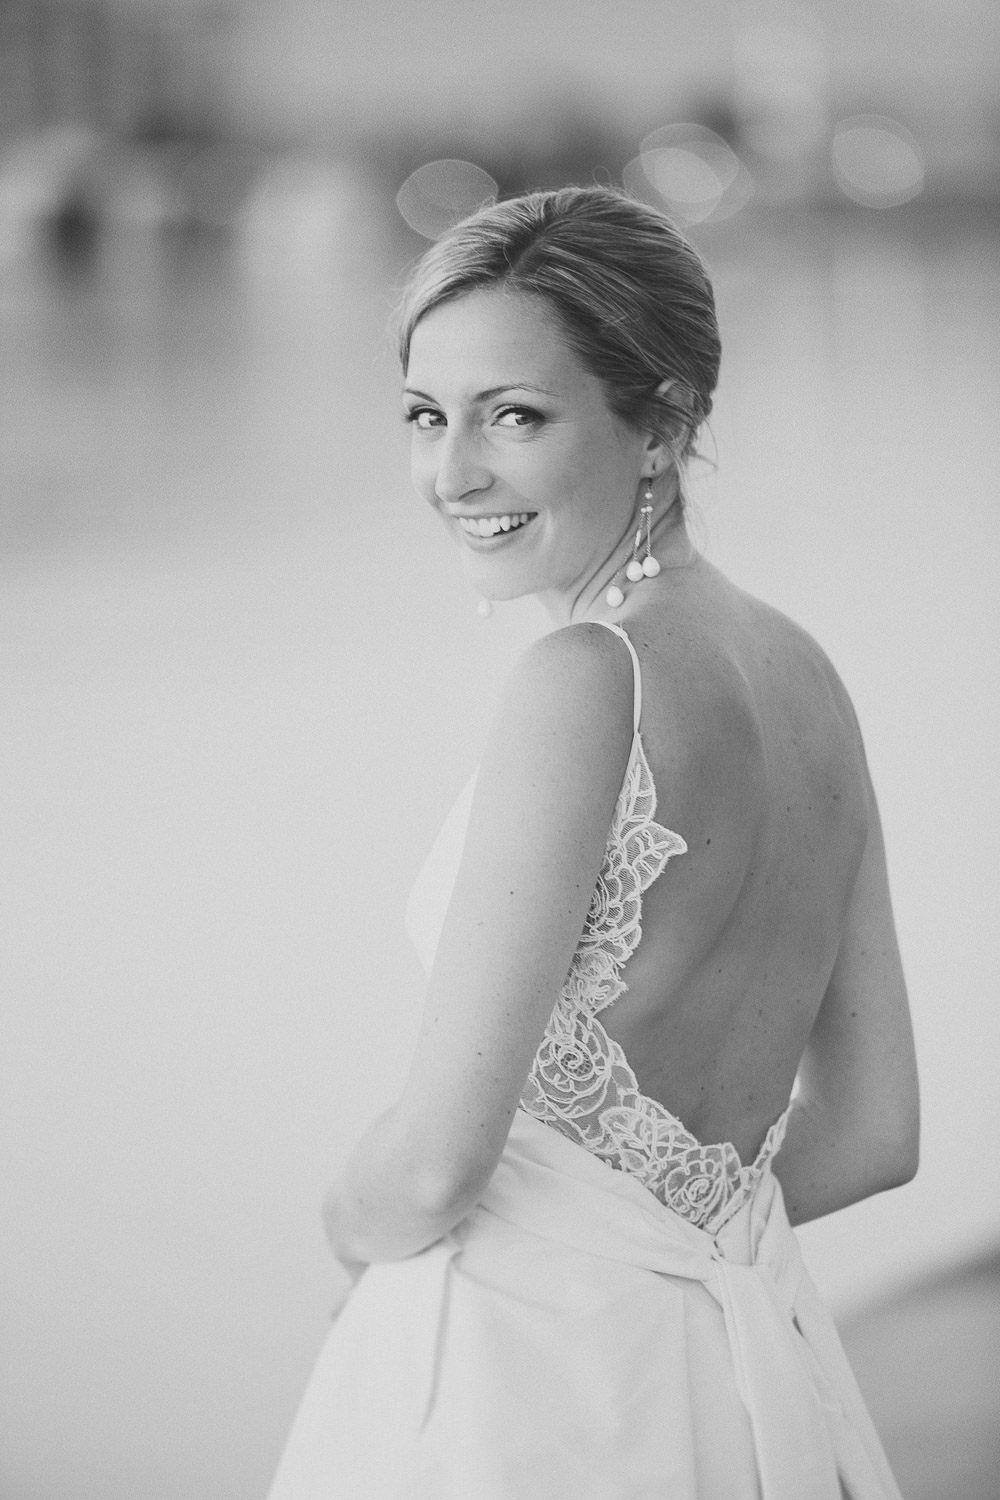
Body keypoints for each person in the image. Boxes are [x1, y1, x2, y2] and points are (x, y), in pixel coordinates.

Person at [267, 186, 919, 1499]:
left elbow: (436, 1164)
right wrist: (666, 1240)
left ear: (662, 421)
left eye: (515, 415)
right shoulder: (805, 676)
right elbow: (873, 1134)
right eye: (425, 415)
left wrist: (349, 1222)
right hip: (738, 1375)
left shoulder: (586, 676)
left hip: (526, 1389)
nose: (454, 472)